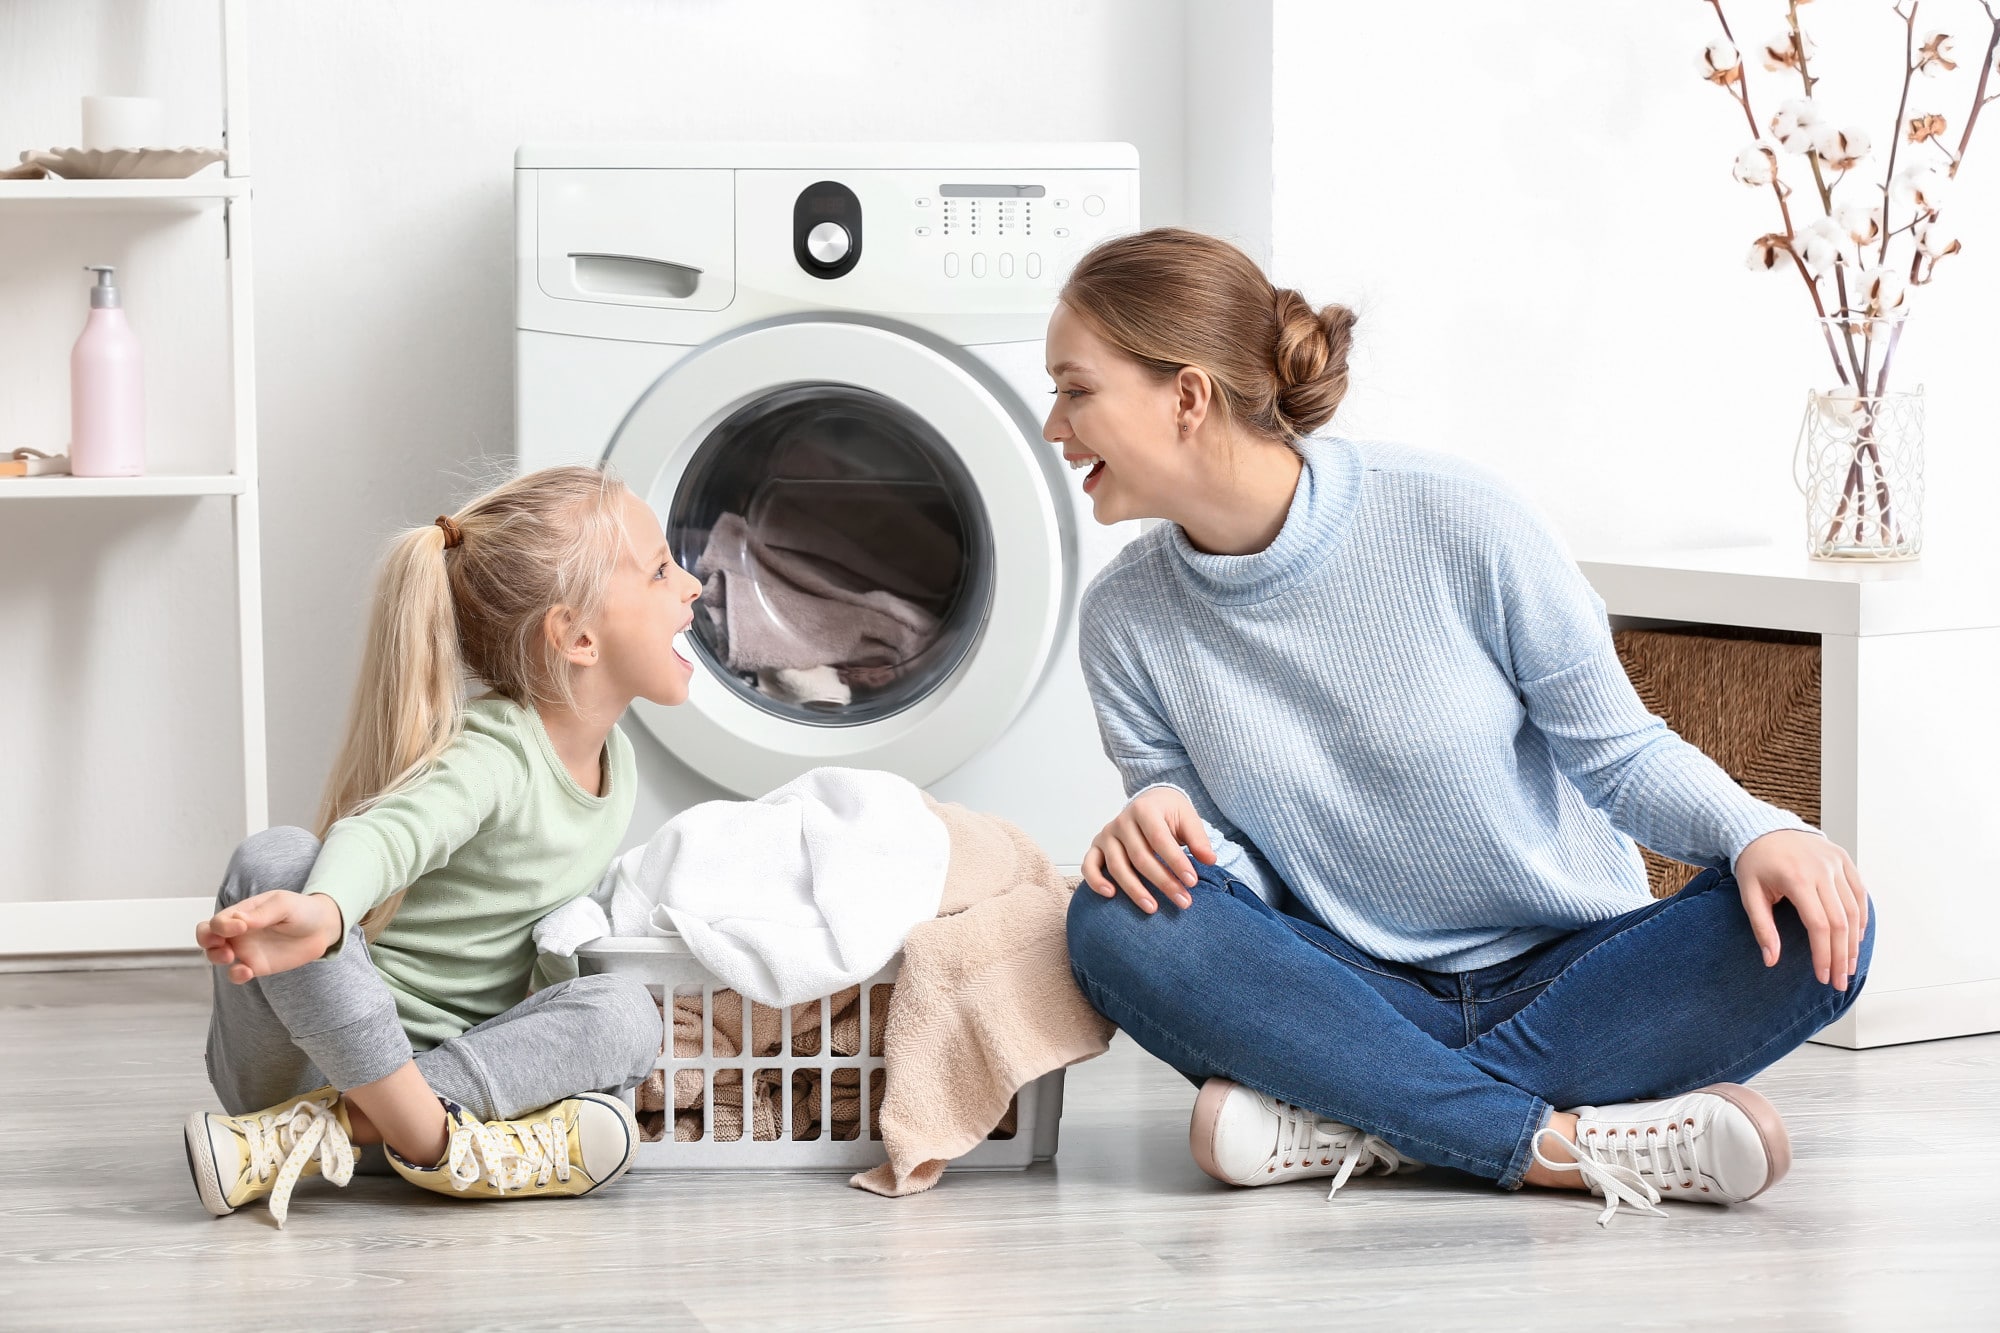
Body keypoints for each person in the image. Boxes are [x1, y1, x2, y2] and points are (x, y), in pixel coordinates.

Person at [1052, 228, 1873, 1224]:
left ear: (1185, 396)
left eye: (1075, 389)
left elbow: (1614, 752)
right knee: (1113, 919)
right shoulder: (1123, 621)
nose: (1055, 426)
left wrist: (1758, 828)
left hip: (1574, 973)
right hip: (1352, 991)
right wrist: (1177, 840)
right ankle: (1553, 1143)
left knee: (1818, 912)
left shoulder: (1457, 519)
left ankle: (1360, 1119)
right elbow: (1250, 892)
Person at [185, 465, 701, 1226]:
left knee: (626, 1014)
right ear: (578, 635)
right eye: (659, 569)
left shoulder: (615, 768)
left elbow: (536, 929)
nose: (688, 584)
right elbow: (386, 832)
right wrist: (325, 911)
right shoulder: (498, 753)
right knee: (278, 855)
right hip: (306, 1052)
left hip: (446, 1061)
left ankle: (315, 1137)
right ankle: (440, 1147)